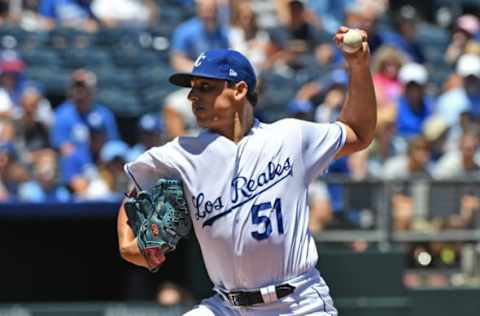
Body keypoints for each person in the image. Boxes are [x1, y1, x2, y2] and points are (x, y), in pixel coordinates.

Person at [117, 25, 376, 315]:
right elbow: (134, 191)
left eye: (206, 87)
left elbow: (358, 132)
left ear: (239, 90)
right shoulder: (181, 153)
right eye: (192, 89)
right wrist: (130, 246)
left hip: (298, 303)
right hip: (227, 306)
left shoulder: (290, 137)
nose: (193, 97)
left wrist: (358, 67)